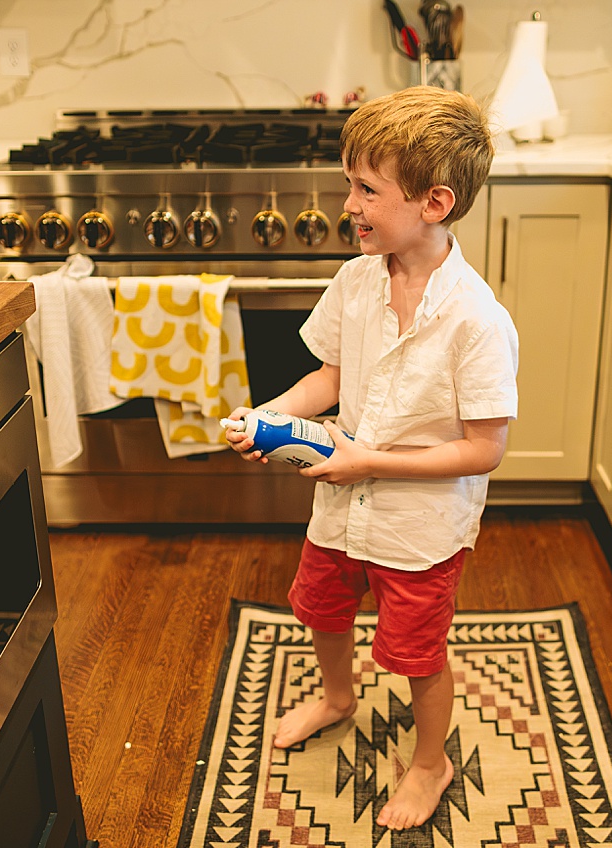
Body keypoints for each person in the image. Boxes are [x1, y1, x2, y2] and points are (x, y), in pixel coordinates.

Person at [224, 85, 519, 831]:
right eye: (347, 184)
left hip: (417, 527)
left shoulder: (478, 321)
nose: (346, 204)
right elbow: (330, 378)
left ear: (435, 202)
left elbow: (484, 448)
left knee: (417, 653)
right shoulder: (357, 279)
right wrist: (270, 417)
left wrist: (371, 464)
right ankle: (336, 695)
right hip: (341, 505)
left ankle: (431, 762)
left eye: (364, 189)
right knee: (321, 607)